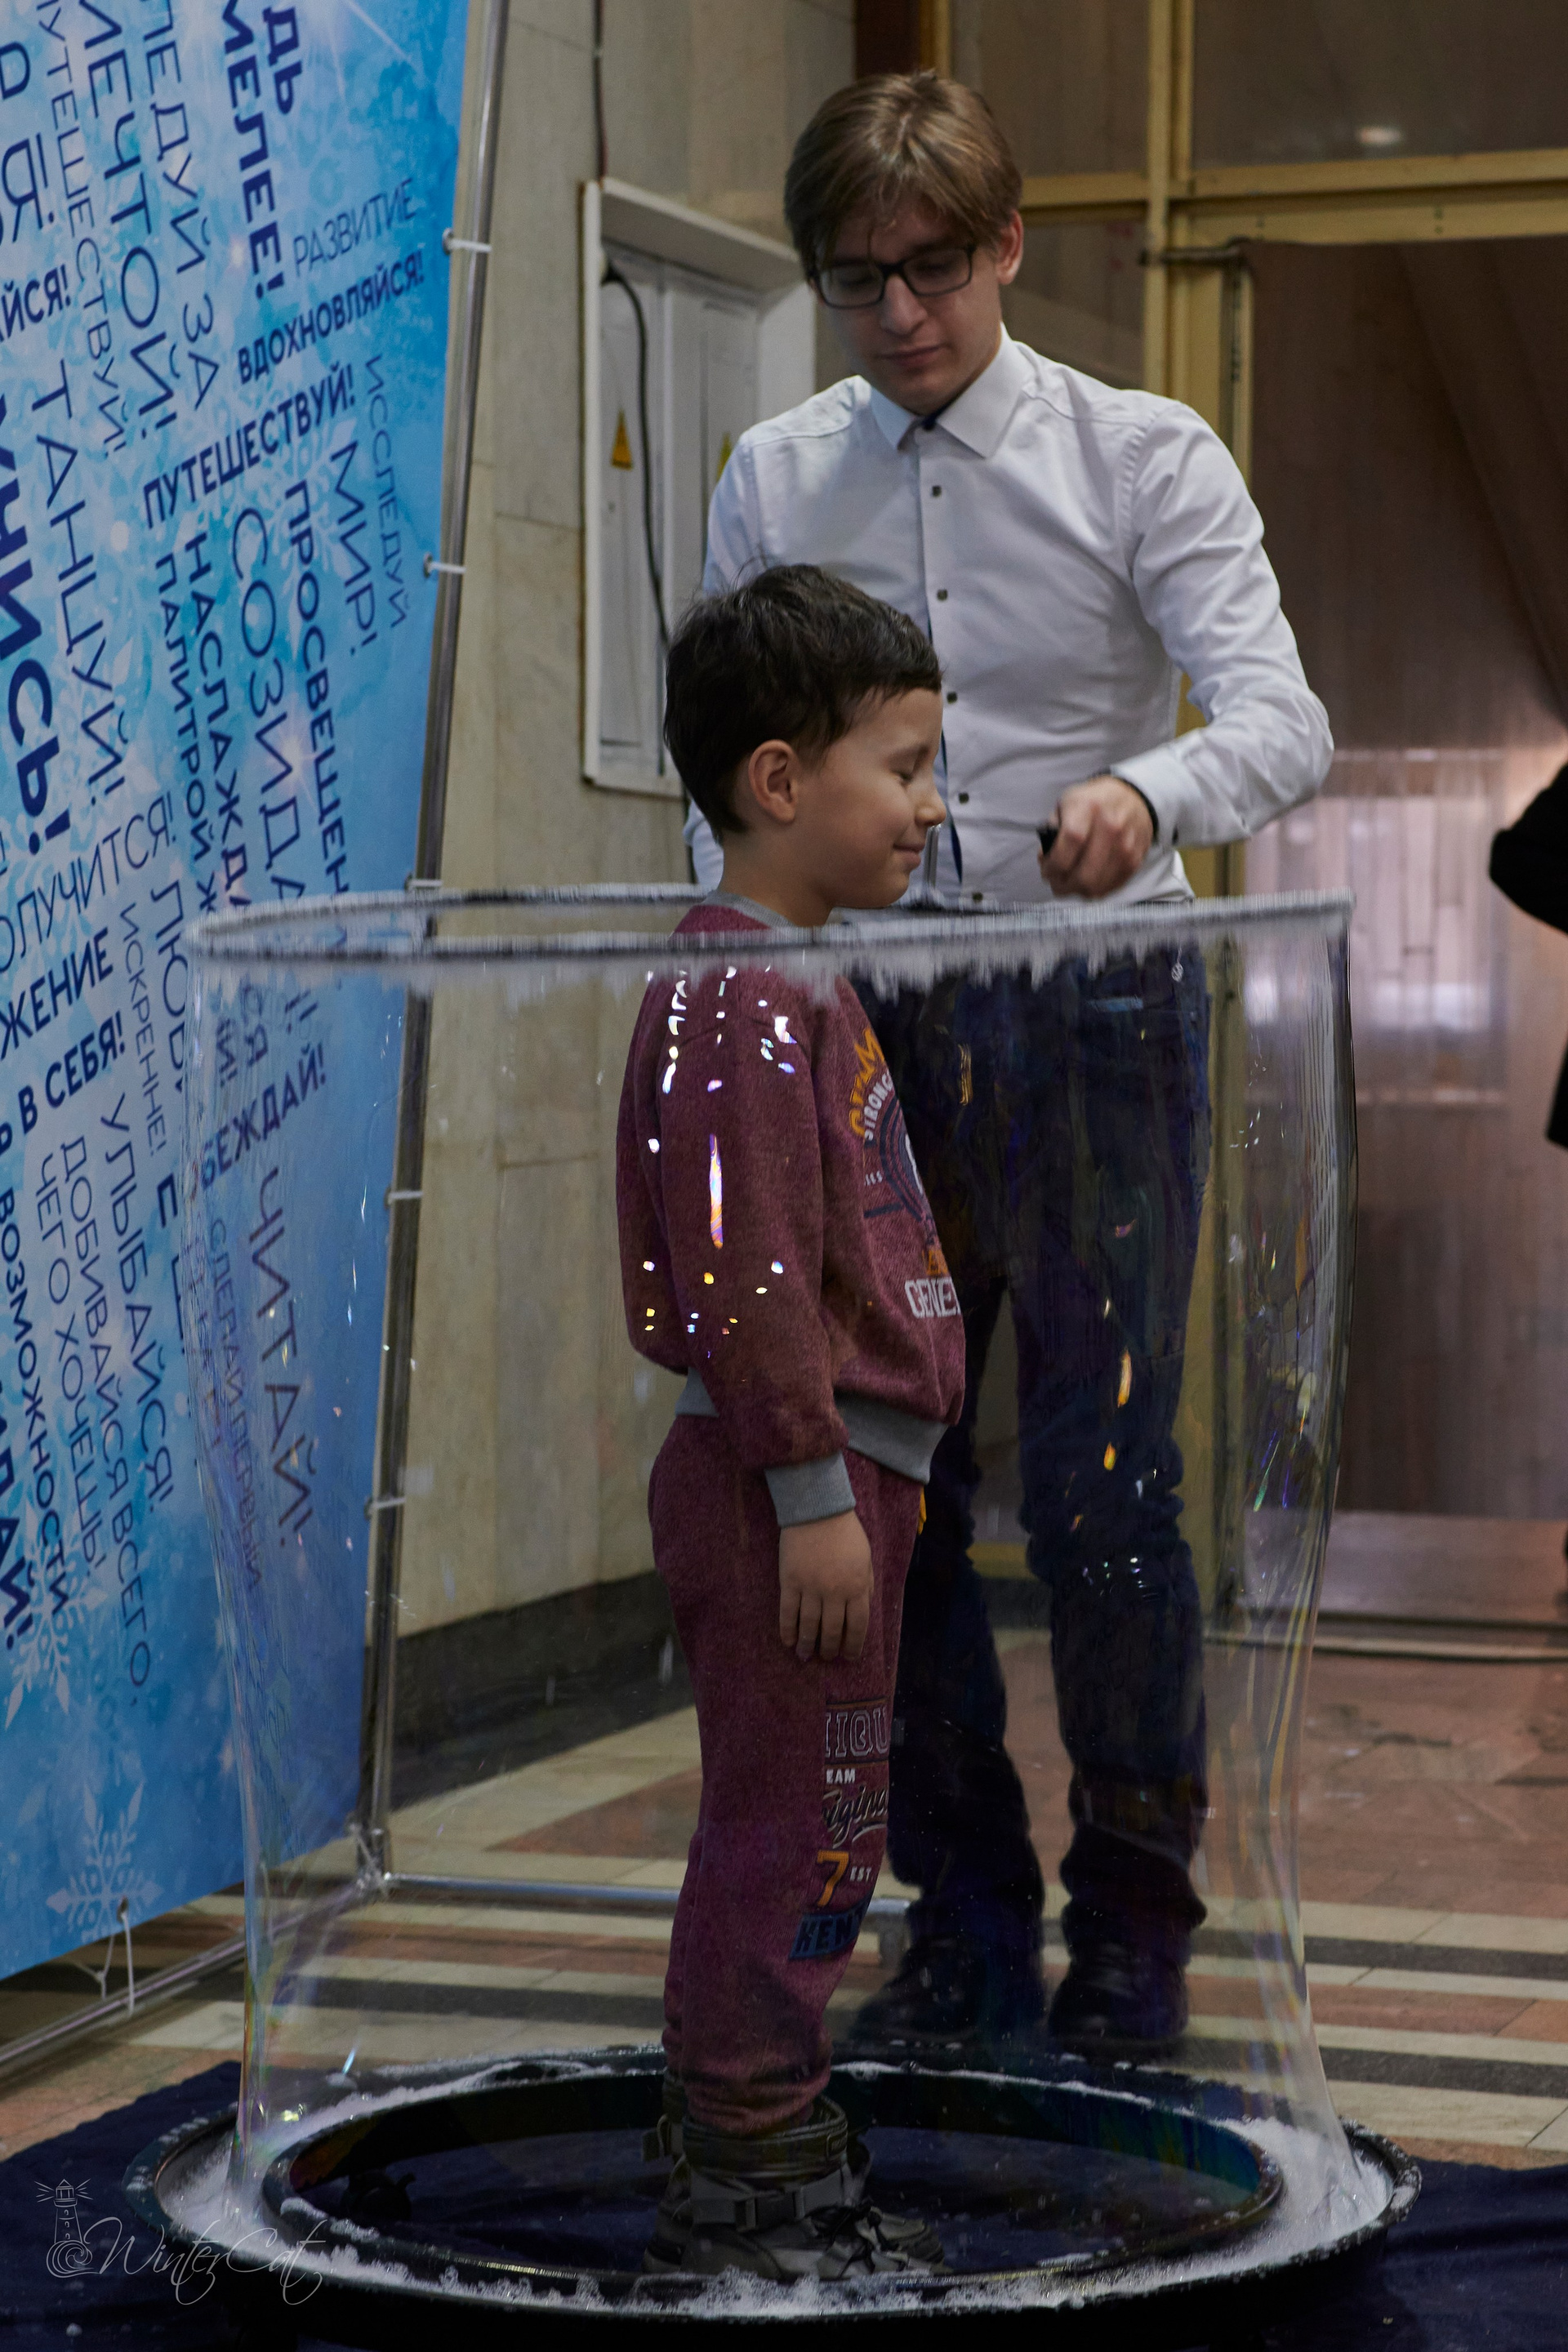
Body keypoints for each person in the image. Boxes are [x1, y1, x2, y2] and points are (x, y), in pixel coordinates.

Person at [688, 72, 1333, 2056]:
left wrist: (1149, 792)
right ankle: (958, 1917)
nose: (900, 316)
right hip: (865, 1013)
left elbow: (1285, 720)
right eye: (856, 279)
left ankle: (1135, 1926)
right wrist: (727, 980)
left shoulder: (1139, 451)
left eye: (935, 269)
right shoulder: (774, 473)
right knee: (893, 1484)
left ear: (1010, 246)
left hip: (1099, 998)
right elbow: (728, 771)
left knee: (1109, 1481)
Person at [617, 564, 965, 2278]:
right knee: (794, 1825)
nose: (931, 804)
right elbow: (748, 1265)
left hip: (827, 1486)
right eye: (901, 767)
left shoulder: (787, 976)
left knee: (827, 1813)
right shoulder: (742, 993)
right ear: (778, 780)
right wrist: (814, 1488)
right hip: (786, 1497)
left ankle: (755, 2118)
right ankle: (754, 2169)